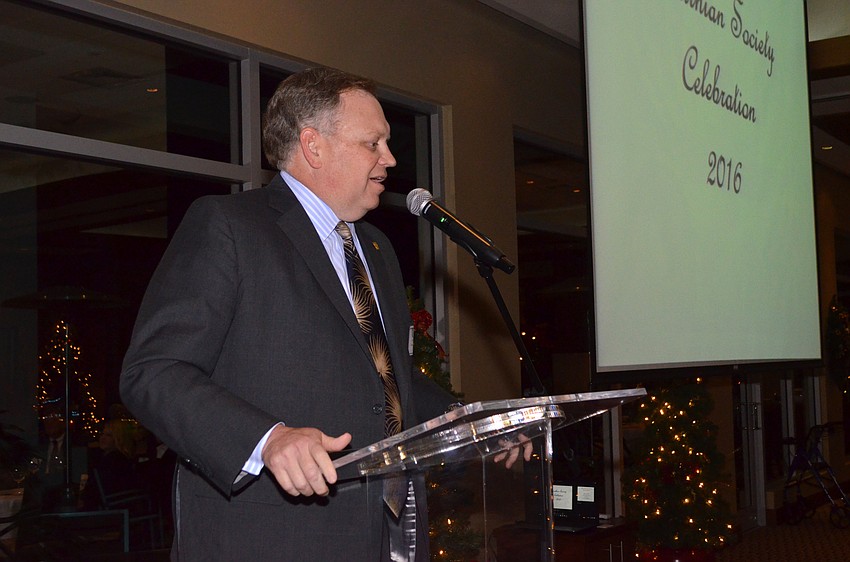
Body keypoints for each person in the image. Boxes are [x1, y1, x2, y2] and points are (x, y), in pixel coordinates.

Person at [119, 67, 459, 561]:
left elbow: (385, 377)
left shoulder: (377, 247)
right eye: (374, 143)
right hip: (272, 539)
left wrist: (457, 418)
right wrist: (267, 439)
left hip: (387, 534)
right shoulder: (230, 227)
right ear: (313, 145)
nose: (390, 159)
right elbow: (152, 372)